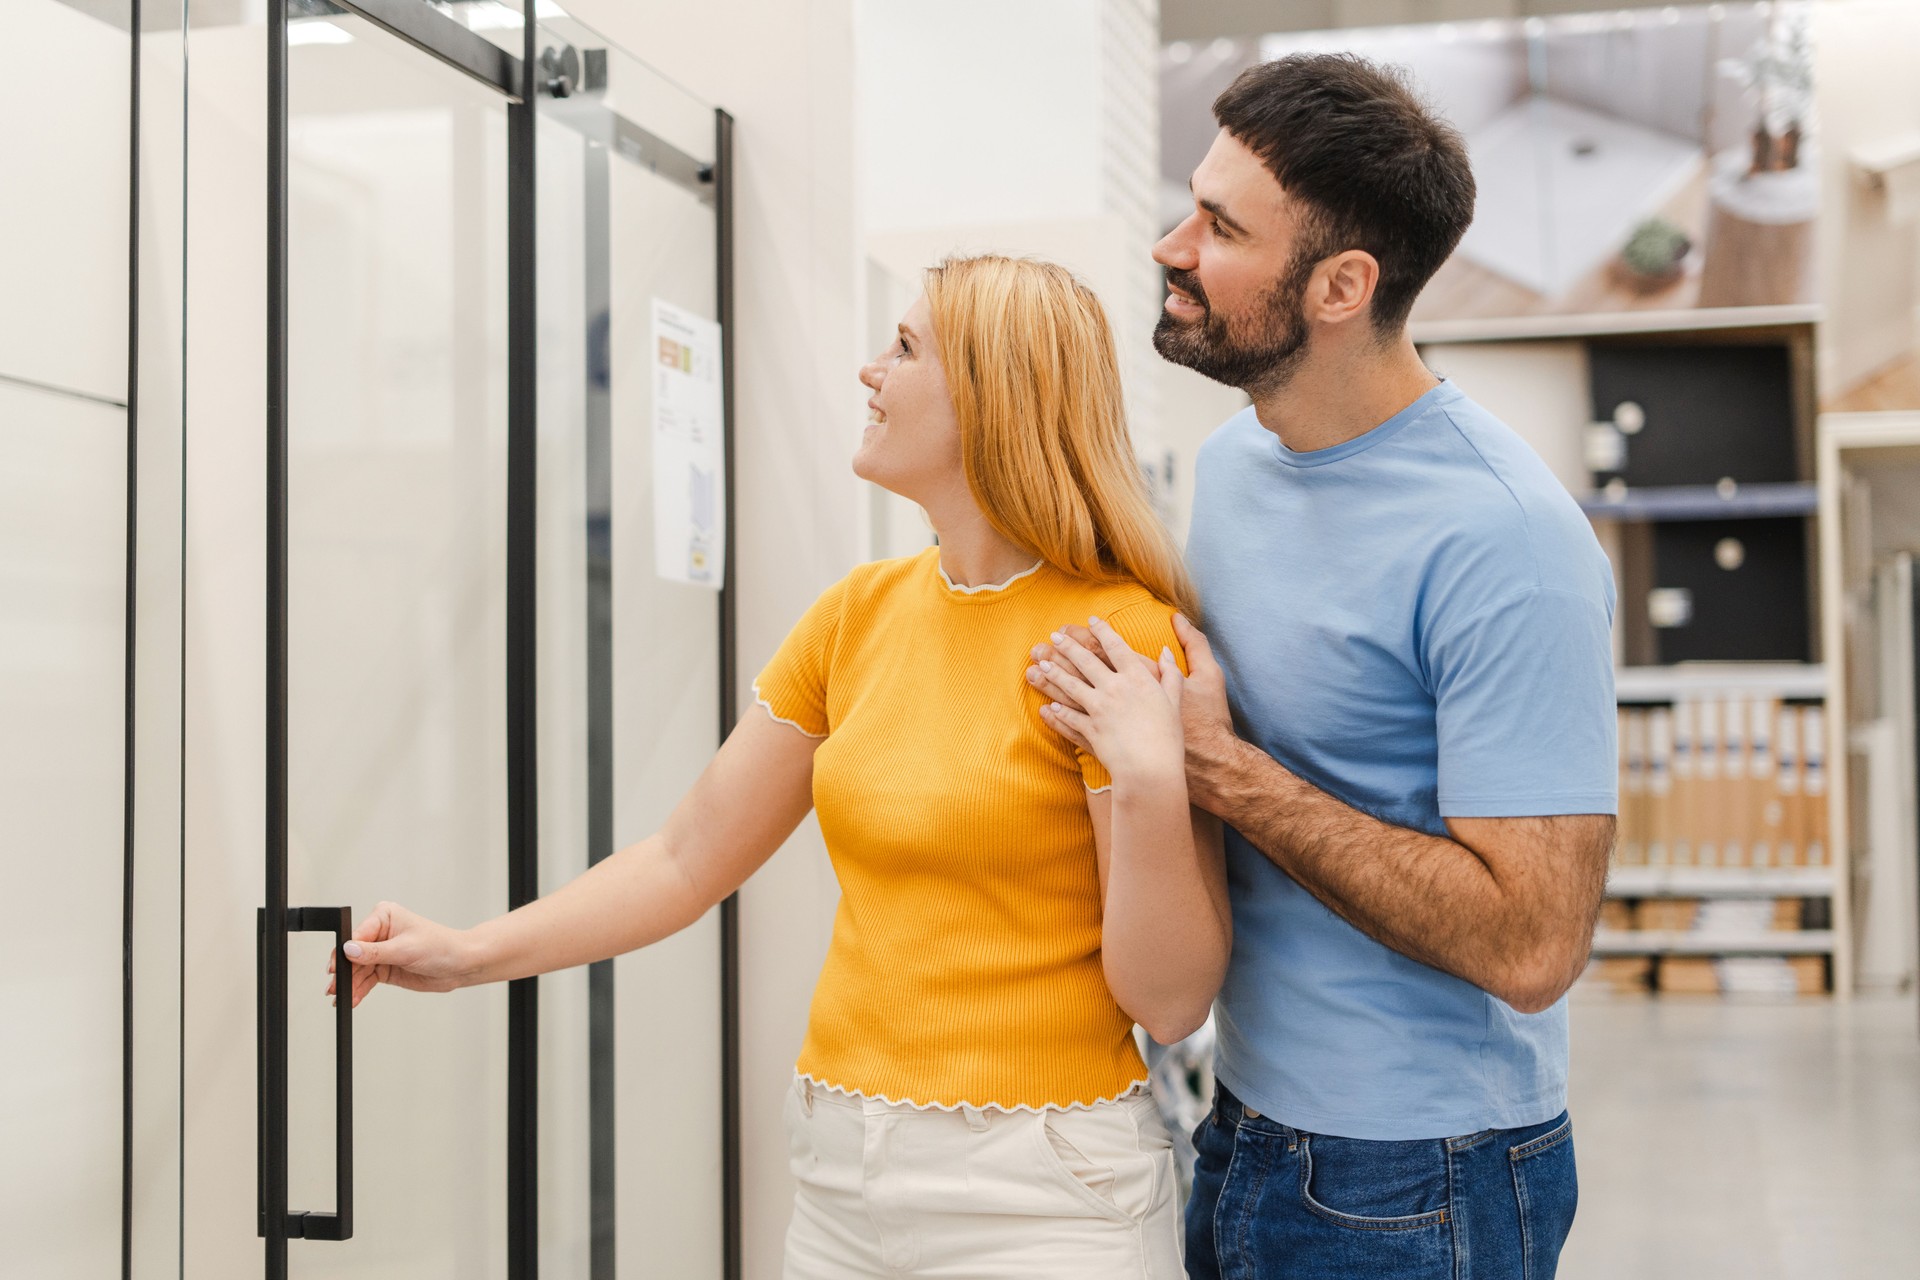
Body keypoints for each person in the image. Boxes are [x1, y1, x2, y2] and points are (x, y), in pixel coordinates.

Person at [327, 254, 1229, 1279]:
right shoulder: (858, 615)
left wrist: (1151, 779)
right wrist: (468, 953)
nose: (867, 371)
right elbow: (682, 857)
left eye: (902, 347)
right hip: (842, 1179)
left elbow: (1169, 1002)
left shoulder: (1117, 637)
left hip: (1045, 1198)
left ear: (992, 392)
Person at [1029, 53, 1616, 1280]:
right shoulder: (1242, 462)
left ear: (1344, 283)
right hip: (1246, 1124)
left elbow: (1532, 942)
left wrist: (1221, 770)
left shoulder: (1506, 537)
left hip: (1425, 1174)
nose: (1171, 245)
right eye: (1192, 202)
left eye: (1221, 227)